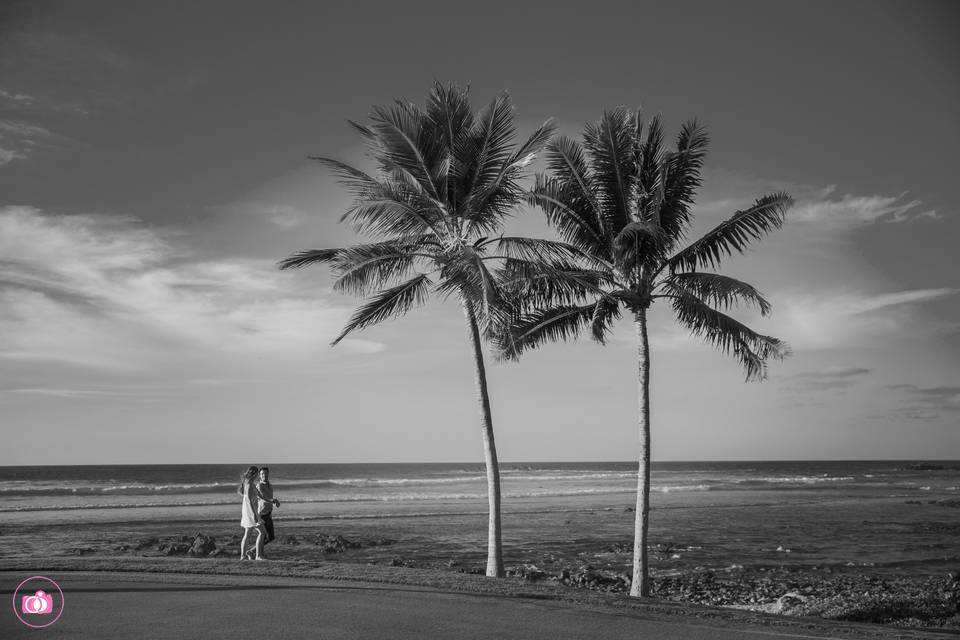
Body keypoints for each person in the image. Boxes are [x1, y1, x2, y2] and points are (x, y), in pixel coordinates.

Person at [237, 465, 265, 560]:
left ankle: (245, 555)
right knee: (261, 532)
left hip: (251, 511)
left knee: (248, 533)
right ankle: (256, 556)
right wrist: (254, 515)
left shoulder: (251, 484)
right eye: (257, 473)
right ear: (255, 474)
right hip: (250, 512)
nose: (258, 475)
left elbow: (260, 496)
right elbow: (248, 501)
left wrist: (272, 500)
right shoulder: (248, 485)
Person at [255, 466, 281, 553]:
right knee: (263, 537)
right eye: (262, 474)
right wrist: (273, 500)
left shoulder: (270, 485)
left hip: (268, 514)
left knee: (271, 537)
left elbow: (269, 498)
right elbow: (263, 498)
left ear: (268, 474)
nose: (264, 475)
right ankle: (258, 554)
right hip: (261, 514)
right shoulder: (259, 486)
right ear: (259, 475)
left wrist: (274, 502)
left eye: (266, 473)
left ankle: (254, 552)